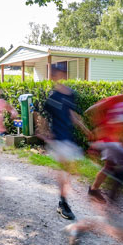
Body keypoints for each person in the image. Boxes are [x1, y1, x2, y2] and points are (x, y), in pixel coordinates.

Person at [43, 65, 92, 221]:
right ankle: (63, 203)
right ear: (53, 76)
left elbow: (72, 115)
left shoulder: (70, 94)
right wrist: (45, 134)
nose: (60, 75)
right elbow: (43, 117)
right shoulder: (51, 97)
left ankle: (62, 199)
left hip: (68, 137)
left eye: (63, 72)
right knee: (65, 170)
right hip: (58, 138)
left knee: (70, 171)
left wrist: (85, 129)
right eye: (58, 73)